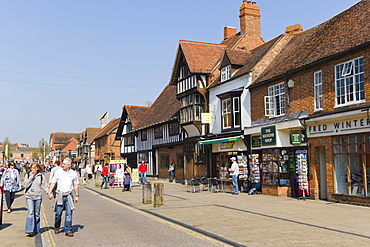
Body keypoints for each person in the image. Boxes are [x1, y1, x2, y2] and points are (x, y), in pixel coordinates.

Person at [48, 158, 79, 237]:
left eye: (64, 164)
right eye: (62, 164)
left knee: (69, 214)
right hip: (60, 195)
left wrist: (77, 196)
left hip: (69, 195)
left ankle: (68, 230)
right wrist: (50, 192)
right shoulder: (58, 172)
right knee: (58, 213)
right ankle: (57, 227)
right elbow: (53, 182)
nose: (62, 165)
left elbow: (75, 185)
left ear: (69, 165)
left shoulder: (73, 173)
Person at [24, 163, 48, 237]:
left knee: (37, 214)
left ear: (37, 169)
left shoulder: (41, 176)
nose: (33, 170)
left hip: (38, 197)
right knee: (31, 212)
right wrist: (31, 177)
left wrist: (49, 193)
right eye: (32, 168)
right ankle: (29, 230)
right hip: (29, 196)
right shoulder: (28, 175)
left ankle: (36, 229)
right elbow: (25, 185)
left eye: (34, 168)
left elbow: (45, 186)